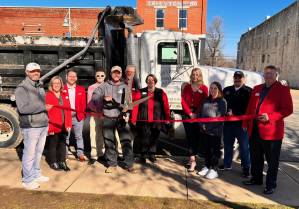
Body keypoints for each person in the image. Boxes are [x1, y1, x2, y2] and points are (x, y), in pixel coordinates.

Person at [242, 65, 293, 195]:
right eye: (266, 73)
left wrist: (270, 117)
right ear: (263, 75)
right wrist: (245, 123)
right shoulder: (257, 88)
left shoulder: (283, 90)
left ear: (276, 75)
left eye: (271, 73)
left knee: (272, 161)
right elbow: (249, 108)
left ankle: (271, 184)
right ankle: (256, 179)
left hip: (272, 132)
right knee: (256, 157)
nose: (268, 76)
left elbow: (287, 109)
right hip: (254, 130)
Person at [91, 66, 135, 173]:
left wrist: (127, 112)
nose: (116, 75)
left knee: (125, 141)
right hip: (108, 118)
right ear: (111, 74)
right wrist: (102, 98)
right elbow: (94, 96)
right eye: (114, 73)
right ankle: (112, 164)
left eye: (118, 73)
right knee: (109, 142)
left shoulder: (125, 86)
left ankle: (129, 164)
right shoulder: (104, 85)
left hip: (121, 118)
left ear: (121, 74)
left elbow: (129, 103)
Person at [15, 62, 49, 189]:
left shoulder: (40, 86)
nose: (36, 73)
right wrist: (43, 107)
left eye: (38, 71)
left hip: (43, 124)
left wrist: (47, 119)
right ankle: (27, 180)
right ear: (26, 72)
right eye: (33, 71)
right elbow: (23, 109)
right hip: (31, 126)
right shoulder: (21, 89)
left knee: (38, 152)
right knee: (29, 153)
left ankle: (36, 174)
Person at [132, 74, 170, 163]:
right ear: (146, 81)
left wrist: (167, 118)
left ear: (155, 81)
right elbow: (135, 106)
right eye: (148, 80)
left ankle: (152, 154)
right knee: (144, 137)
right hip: (144, 119)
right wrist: (133, 119)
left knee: (154, 137)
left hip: (156, 119)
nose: (150, 81)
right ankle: (143, 155)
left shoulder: (161, 92)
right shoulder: (141, 92)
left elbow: (166, 106)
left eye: (152, 80)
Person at [219, 71, 251, 177]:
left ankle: (246, 168)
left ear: (244, 79)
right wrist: (226, 112)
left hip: (242, 125)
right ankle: (227, 164)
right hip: (228, 124)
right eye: (235, 77)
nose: (237, 79)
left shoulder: (249, 91)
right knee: (228, 145)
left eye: (239, 77)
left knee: (244, 148)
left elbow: (250, 108)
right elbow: (221, 104)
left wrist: (236, 113)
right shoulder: (227, 90)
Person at [197, 81, 227, 179]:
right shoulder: (206, 100)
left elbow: (219, 117)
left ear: (219, 90)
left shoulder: (222, 101)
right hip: (204, 130)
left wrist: (208, 127)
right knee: (207, 150)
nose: (212, 90)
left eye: (215, 88)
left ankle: (214, 169)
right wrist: (202, 125)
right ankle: (207, 166)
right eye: (211, 88)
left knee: (215, 151)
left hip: (216, 132)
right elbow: (200, 114)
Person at [181, 67, 208, 172]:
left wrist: (196, 114)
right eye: (193, 74)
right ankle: (191, 159)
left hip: (198, 115)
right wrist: (190, 113)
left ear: (200, 75)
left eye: (197, 74)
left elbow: (204, 102)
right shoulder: (187, 87)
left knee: (196, 138)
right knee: (189, 137)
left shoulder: (204, 88)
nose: (195, 76)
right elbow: (183, 101)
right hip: (187, 115)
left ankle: (193, 160)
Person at [45, 76, 72, 171]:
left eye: (58, 83)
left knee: (63, 144)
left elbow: (68, 111)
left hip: (64, 125)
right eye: (54, 83)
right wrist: (49, 127)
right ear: (51, 85)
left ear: (61, 84)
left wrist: (68, 124)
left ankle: (62, 161)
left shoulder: (64, 95)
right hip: (53, 125)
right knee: (53, 144)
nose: (56, 85)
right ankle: (53, 162)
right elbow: (46, 113)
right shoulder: (48, 95)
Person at [63, 69, 87, 162]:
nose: (72, 78)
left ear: (76, 78)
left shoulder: (81, 89)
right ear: (66, 77)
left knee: (79, 136)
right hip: (66, 116)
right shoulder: (62, 89)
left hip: (78, 116)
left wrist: (82, 114)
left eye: (74, 76)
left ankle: (80, 154)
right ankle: (64, 155)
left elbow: (83, 104)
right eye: (70, 76)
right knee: (66, 136)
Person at [87, 70, 106, 165]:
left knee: (103, 135)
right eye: (98, 75)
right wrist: (97, 111)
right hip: (94, 115)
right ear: (95, 76)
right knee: (93, 134)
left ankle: (101, 154)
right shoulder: (91, 87)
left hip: (106, 115)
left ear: (105, 76)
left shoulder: (107, 86)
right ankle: (94, 155)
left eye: (102, 75)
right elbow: (89, 102)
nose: (100, 77)